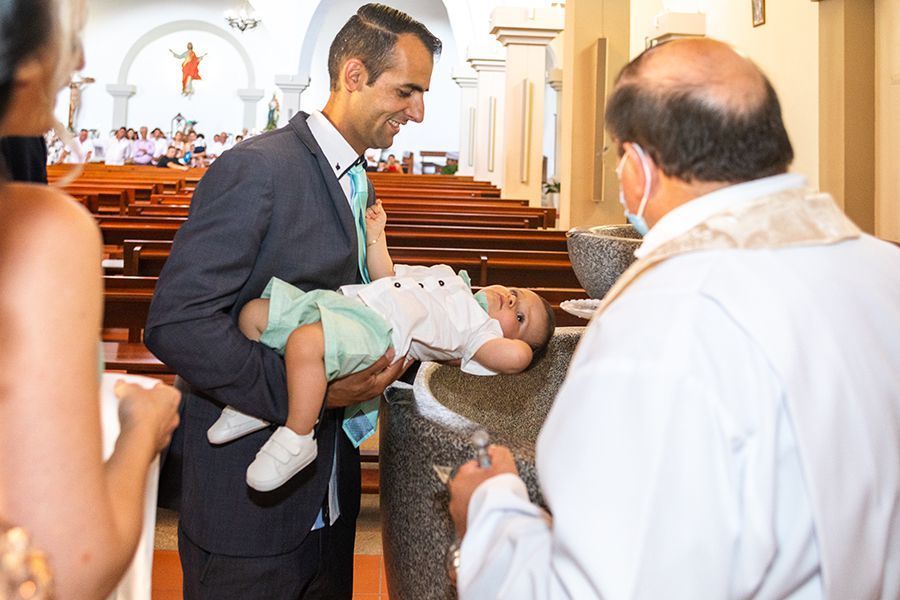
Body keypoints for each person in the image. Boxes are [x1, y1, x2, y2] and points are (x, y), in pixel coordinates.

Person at [449, 37, 900, 599]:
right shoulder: (886, 271)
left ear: (638, 168)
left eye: (617, 158)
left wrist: (491, 515)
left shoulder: (663, 320)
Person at [144, 4, 442, 597]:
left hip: (329, 498)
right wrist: (308, 392)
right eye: (407, 90)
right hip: (248, 510)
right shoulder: (258, 169)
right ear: (354, 75)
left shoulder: (356, 178)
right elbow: (177, 323)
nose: (419, 111)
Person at [0, 0, 182, 598]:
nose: (77, 61)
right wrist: (143, 427)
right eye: (68, 37)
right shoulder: (35, 230)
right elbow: (69, 563)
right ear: (19, 58)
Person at [209, 199, 555, 492]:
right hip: (349, 305)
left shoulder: (478, 333)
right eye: (515, 293)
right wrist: (376, 238)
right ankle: (254, 406)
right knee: (254, 315)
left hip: (380, 334)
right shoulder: (449, 277)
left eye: (520, 317)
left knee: (304, 344)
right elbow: (386, 276)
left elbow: (514, 358)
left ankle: (298, 437)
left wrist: (527, 350)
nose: (510, 301)